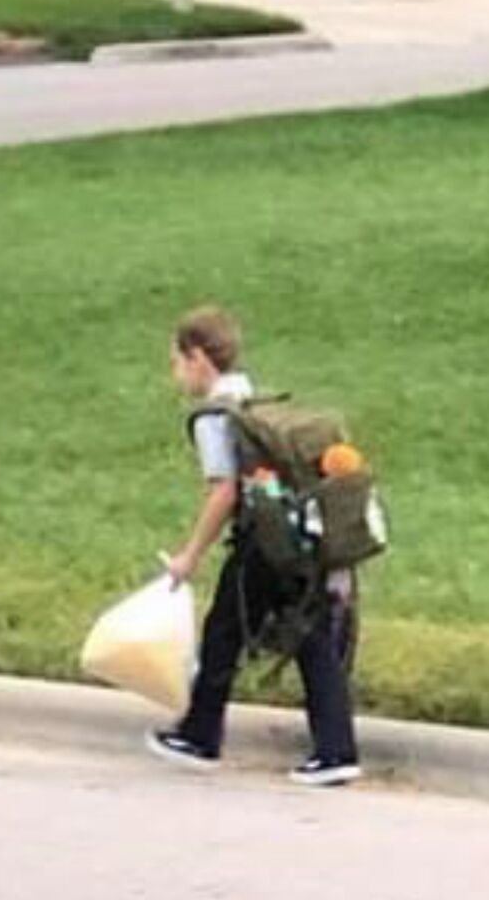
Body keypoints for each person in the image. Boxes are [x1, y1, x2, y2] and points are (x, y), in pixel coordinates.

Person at [146, 306, 360, 787]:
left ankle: (201, 736)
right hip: (297, 537)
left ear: (198, 358)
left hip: (262, 544)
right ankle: (335, 749)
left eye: (177, 361)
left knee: (225, 632)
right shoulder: (256, 401)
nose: (175, 373)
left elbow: (223, 492)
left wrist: (189, 556)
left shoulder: (214, 419)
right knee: (308, 635)